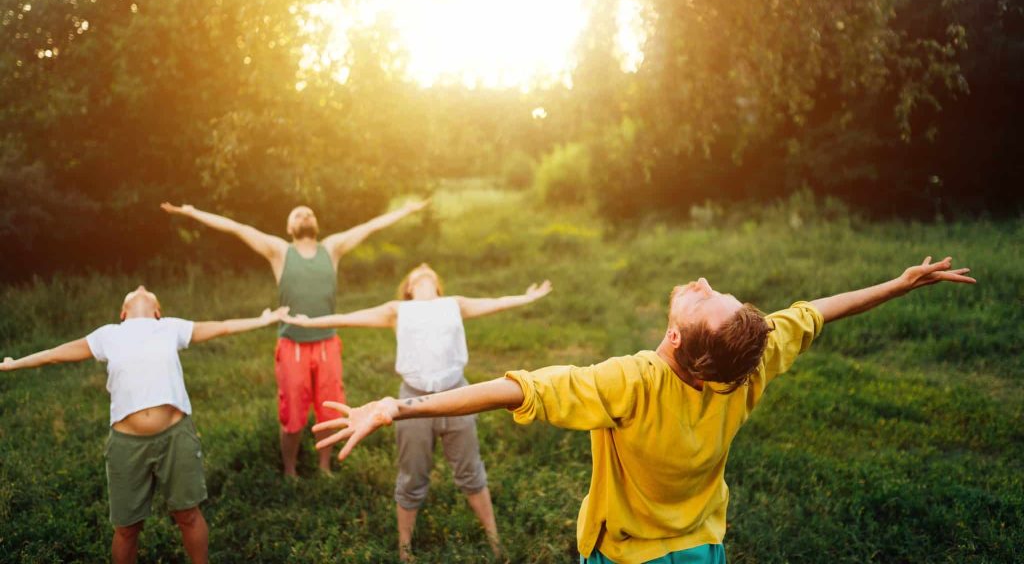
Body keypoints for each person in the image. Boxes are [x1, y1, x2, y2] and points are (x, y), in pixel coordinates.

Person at [310, 256, 975, 564]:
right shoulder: (751, 364)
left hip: (627, 557)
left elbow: (516, 390)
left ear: (680, 339)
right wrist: (900, 283)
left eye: (702, 300)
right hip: (704, 549)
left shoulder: (631, 382)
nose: (702, 283)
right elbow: (818, 312)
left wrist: (398, 407)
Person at [282, 262, 552, 562]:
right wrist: (307, 323)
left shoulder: (454, 304)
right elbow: (347, 318)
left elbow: (496, 303)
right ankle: (405, 551)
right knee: (412, 476)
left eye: (430, 272)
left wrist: (527, 298)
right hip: (411, 401)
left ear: (437, 286)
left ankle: (495, 542)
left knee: (471, 471)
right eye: (417, 273)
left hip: (458, 394)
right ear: (409, 288)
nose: (424, 269)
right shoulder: (398, 310)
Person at [0, 285, 288, 564]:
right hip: (127, 445)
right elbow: (55, 354)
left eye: (148, 292)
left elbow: (223, 326)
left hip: (176, 437)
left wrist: (264, 319)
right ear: (122, 313)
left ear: (157, 311)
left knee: (188, 514)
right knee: (127, 528)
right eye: (134, 292)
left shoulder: (171, 328)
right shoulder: (108, 335)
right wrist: (15, 363)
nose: (140, 287)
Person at [161, 199, 428, 477]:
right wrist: (193, 212)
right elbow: (237, 228)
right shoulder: (279, 251)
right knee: (292, 415)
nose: (305, 215)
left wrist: (405, 211)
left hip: (327, 345)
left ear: (316, 225)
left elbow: (370, 226)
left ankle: (324, 467)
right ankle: (290, 471)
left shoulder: (332, 248)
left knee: (331, 410)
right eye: (298, 214)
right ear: (290, 227)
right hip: (293, 347)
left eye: (309, 212)